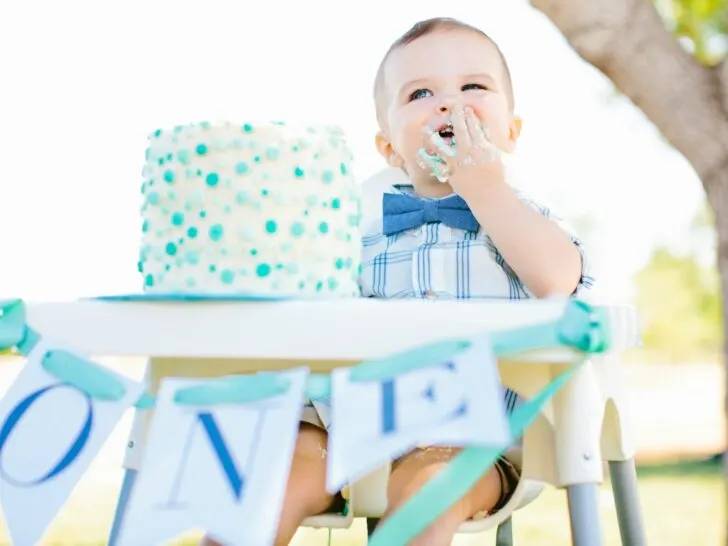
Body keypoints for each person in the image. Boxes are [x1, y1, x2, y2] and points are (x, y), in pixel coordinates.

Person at [203, 16, 592, 546]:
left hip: (471, 440)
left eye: (473, 86)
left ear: (512, 132)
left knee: (427, 491)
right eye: (421, 92)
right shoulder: (347, 226)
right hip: (337, 428)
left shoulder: (526, 219)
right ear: (389, 148)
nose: (449, 103)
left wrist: (486, 190)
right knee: (267, 484)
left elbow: (558, 280)